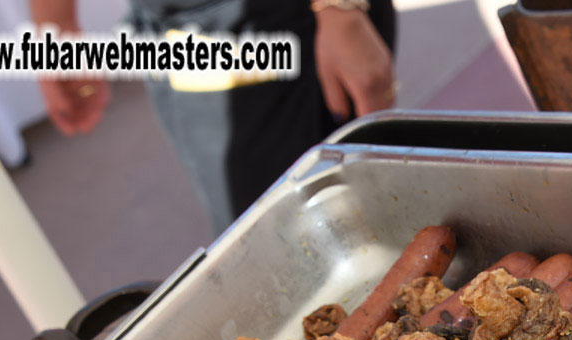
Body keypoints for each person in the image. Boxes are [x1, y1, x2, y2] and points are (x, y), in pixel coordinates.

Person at [29, 0, 396, 233]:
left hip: (280, 24)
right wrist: (55, 26)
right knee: (270, 241)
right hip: (184, 34)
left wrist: (340, 10)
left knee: (329, 228)